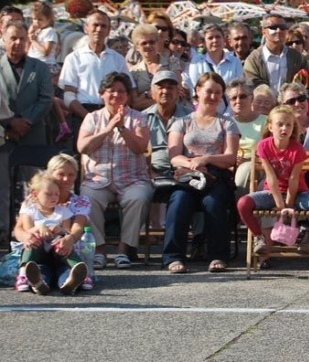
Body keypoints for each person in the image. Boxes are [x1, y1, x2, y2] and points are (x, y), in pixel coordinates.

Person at [237, 106, 309, 267]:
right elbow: (271, 177)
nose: (284, 128)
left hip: (298, 193)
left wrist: (288, 204)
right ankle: (258, 237)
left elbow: (294, 179)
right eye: (280, 124)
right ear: (270, 127)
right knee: (243, 203)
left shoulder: (297, 149)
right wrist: (281, 205)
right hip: (271, 193)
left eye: (288, 125)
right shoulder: (264, 146)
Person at [164, 72, 239, 274]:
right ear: (197, 91)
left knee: (213, 202)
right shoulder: (182, 122)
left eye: (218, 93)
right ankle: (173, 256)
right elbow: (174, 156)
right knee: (179, 201)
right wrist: (191, 163)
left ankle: (217, 255)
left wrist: (206, 159)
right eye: (208, 91)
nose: (213, 97)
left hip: (216, 176)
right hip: (188, 175)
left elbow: (231, 157)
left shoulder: (227, 123)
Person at [77, 72, 152, 270]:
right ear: (102, 94)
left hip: (132, 179)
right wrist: (108, 128)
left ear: (128, 95)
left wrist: (122, 129)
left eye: (121, 91)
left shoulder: (139, 118)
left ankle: (123, 249)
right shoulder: (92, 118)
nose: (116, 95)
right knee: (86, 197)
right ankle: (99, 249)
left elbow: (140, 148)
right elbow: (82, 147)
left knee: (140, 197)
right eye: (111, 91)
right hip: (98, 179)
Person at [0, 22, 54, 237]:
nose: (17, 43)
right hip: (3, 134)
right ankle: (4, 231)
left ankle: (35, 230)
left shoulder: (39, 67)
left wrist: (26, 122)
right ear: (3, 40)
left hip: (33, 133)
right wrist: (10, 122)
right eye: (13, 38)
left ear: (28, 42)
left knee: (35, 186)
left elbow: (46, 98)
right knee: (2, 187)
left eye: (22, 38)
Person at [12, 154, 93, 292]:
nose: (66, 179)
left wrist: (69, 238)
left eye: (71, 174)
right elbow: (19, 229)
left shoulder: (80, 202)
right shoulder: (32, 201)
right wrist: (28, 237)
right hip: (39, 251)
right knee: (40, 271)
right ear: (50, 174)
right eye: (61, 174)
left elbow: (77, 228)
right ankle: (35, 281)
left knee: (65, 270)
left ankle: (71, 282)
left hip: (63, 252)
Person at [59, 10, 135, 139]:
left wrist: (115, 117)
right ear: (86, 28)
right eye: (95, 25)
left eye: (103, 26)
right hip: (83, 114)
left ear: (109, 31)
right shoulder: (73, 58)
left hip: (113, 114)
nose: (99, 29)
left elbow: (128, 91)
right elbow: (68, 96)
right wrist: (89, 117)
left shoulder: (118, 59)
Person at [244, 14, 309, 98]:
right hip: (264, 106)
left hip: (290, 107)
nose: (278, 31)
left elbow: (305, 83)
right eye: (273, 27)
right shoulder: (253, 60)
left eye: (282, 27)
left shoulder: (297, 57)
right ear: (263, 31)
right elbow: (252, 86)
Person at [185, 24, 244, 115]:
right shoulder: (197, 61)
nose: (215, 40)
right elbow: (195, 90)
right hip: (204, 113)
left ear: (224, 40)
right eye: (210, 38)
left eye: (218, 37)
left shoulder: (235, 62)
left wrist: (227, 115)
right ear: (204, 43)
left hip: (230, 114)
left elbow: (237, 90)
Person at [226, 79, 266, 194]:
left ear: (251, 98)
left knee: (246, 169)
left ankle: (240, 209)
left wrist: (246, 160)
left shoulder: (266, 121)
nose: (238, 101)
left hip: (257, 166)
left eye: (242, 96)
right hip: (229, 166)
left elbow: (270, 152)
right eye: (234, 98)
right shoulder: (226, 123)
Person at [130, 24, 183, 111]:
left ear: (157, 43)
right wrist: (162, 100)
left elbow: (177, 94)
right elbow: (135, 104)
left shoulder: (172, 63)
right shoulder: (133, 71)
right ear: (137, 47)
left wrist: (145, 95)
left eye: (152, 42)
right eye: (144, 43)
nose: (148, 45)